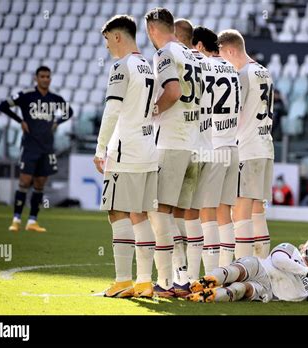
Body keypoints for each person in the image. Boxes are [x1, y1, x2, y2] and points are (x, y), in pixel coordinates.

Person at [93, 15, 158, 298]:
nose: (106, 46)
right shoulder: (149, 65)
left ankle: (122, 281)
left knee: (117, 212)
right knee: (140, 215)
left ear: (117, 36)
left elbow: (113, 110)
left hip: (125, 150)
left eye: (107, 39)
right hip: (148, 151)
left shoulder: (122, 66)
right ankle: (144, 282)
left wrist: (100, 148)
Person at [145, 7, 202, 297]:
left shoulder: (165, 53)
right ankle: (183, 278)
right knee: (179, 214)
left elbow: (173, 91)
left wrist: (150, 112)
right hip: (195, 144)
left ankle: (166, 281)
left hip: (172, 142)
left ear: (153, 29)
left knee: (159, 211)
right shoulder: (191, 54)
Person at [217, 29, 274, 260]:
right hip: (265, 148)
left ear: (230, 50)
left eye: (222, 56)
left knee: (240, 211)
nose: (222, 62)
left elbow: (236, 115)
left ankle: (242, 269)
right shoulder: (264, 71)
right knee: (258, 211)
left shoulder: (242, 75)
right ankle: (262, 268)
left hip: (247, 149)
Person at [0, 66, 73, 233]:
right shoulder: (26, 95)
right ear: (36, 78)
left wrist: (57, 122)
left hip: (47, 147)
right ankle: (16, 219)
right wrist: (20, 120)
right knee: (24, 181)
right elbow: (3, 105)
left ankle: (32, 220)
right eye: (42, 76)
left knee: (40, 183)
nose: (45, 79)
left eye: (48, 76)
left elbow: (69, 111)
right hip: (30, 146)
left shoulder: (55, 98)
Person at [191, 26, 241, 272]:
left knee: (206, 212)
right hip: (232, 146)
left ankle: (210, 275)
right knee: (225, 213)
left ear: (199, 46)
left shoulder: (202, 67)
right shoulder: (234, 69)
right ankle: (226, 272)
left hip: (212, 146)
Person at [186, 235, 308, 303]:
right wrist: (307, 272)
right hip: (260, 268)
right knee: (237, 271)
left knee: (240, 290)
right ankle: (204, 282)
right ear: (304, 246)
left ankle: (205, 296)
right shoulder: (291, 249)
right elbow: (278, 260)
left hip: (268, 291)